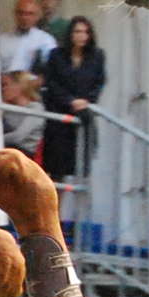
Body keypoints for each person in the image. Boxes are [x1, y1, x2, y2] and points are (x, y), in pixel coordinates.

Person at [40, 14, 106, 182]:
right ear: (70, 34)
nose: (81, 35)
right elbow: (51, 82)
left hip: (82, 116)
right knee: (56, 170)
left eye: (85, 32)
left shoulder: (97, 56)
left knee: (79, 167)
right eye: (77, 31)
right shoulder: (56, 55)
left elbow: (99, 82)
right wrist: (69, 101)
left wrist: (87, 101)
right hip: (59, 116)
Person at [0, 0, 56, 81]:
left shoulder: (46, 41)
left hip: (33, 89)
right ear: (14, 14)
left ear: (37, 16)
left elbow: (52, 71)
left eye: (30, 14)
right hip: (5, 87)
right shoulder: (1, 41)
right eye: (21, 13)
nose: (24, 17)